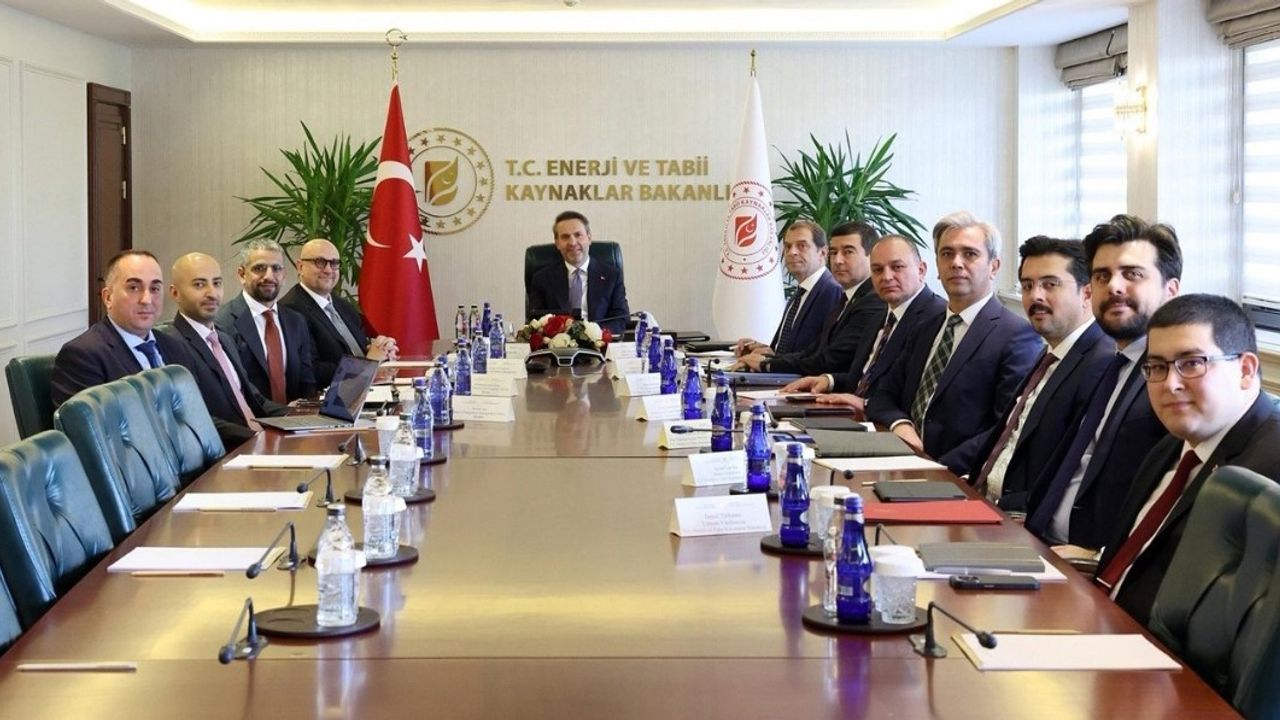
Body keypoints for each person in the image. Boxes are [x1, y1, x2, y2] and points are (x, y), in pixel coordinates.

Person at [1094, 294, 1280, 625]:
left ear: (1246, 370)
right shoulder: (1170, 448)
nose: (1170, 384)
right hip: (1100, 620)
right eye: (1157, 367)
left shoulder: (1269, 469)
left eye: (1192, 363)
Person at [1026, 216, 1181, 551]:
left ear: (1170, 291)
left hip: (1092, 564)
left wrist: (1100, 559)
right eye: (1102, 276)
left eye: (1132, 274)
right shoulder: (1110, 364)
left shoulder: (1174, 382)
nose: (1114, 287)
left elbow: (1173, 503)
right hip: (1039, 542)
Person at [865, 211, 1041, 477]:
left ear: (994, 266)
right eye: (947, 254)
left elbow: (1004, 429)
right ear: (936, 265)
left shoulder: (1017, 336)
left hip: (956, 478)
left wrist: (936, 468)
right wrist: (900, 424)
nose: (956, 263)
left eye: (970, 254)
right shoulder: (925, 327)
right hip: (901, 463)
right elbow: (882, 394)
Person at [969, 236, 1115, 512]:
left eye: (1050, 284)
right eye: (1027, 286)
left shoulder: (1101, 362)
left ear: (1087, 293)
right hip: (981, 500)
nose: (1035, 296)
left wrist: (1000, 506)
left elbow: (1071, 476)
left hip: (1019, 518)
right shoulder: (1050, 353)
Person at [783, 235, 946, 413]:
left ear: (921, 270)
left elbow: (913, 394)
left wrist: (866, 404)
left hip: (887, 423)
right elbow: (867, 380)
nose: (886, 277)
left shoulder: (936, 318)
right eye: (877, 269)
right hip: (853, 415)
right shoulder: (880, 316)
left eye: (897, 267)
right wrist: (829, 380)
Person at [160, 252, 287, 447]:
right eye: (199, 285)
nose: (212, 293)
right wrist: (257, 438)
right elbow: (195, 418)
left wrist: (301, 417)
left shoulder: (224, 339)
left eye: (217, 283)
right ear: (175, 293)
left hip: (256, 444)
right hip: (228, 452)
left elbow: (254, 400)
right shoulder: (171, 344)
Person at [736, 221, 885, 376]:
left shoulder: (868, 300)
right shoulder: (846, 298)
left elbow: (831, 360)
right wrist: (768, 358)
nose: (837, 260)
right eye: (834, 252)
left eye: (848, 252)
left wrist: (767, 364)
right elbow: (813, 351)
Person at [52, 250, 188, 407]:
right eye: (134, 288)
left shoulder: (175, 346)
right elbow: (86, 421)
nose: (147, 300)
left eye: (154, 289)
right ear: (108, 297)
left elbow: (193, 409)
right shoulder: (82, 355)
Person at [279, 238, 399, 382]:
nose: (328, 270)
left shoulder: (343, 305)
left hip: (365, 389)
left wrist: (383, 349)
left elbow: (363, 347)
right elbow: (311, 369)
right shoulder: (290, 310)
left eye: (334, 263)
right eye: (320, 262)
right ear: (300, 267)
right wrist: (368, 366)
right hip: (327, 394)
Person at [215, 239, 317, 403]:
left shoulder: (296, 321)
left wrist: (305, 411)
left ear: (284, 275)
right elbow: (237, 388)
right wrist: (283, 413)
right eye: (259, 268)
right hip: (252, 417)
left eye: (276, 269)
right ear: (242, 274)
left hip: (297, 417)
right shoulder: (223, 323)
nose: (269, 276)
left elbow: (307, 382)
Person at [734, 220, 843, 358]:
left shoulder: (831, 290)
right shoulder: (800, 293)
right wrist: (761, 350)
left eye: (802, 246)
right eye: (788, 246)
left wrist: (772, 361)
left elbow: (820, 356)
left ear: (823, 252)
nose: (792, 252)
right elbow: (789, 350)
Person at [525, 210, 630, 335]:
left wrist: (590, 334)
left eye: (578, 235)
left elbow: (621, 319)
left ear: (589, 238)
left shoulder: (612, 276)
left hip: (599, 342)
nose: (572, 243)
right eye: (565, 237)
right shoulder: (542, 279)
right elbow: (536, 320)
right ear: (557, 243)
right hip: (558, 343)